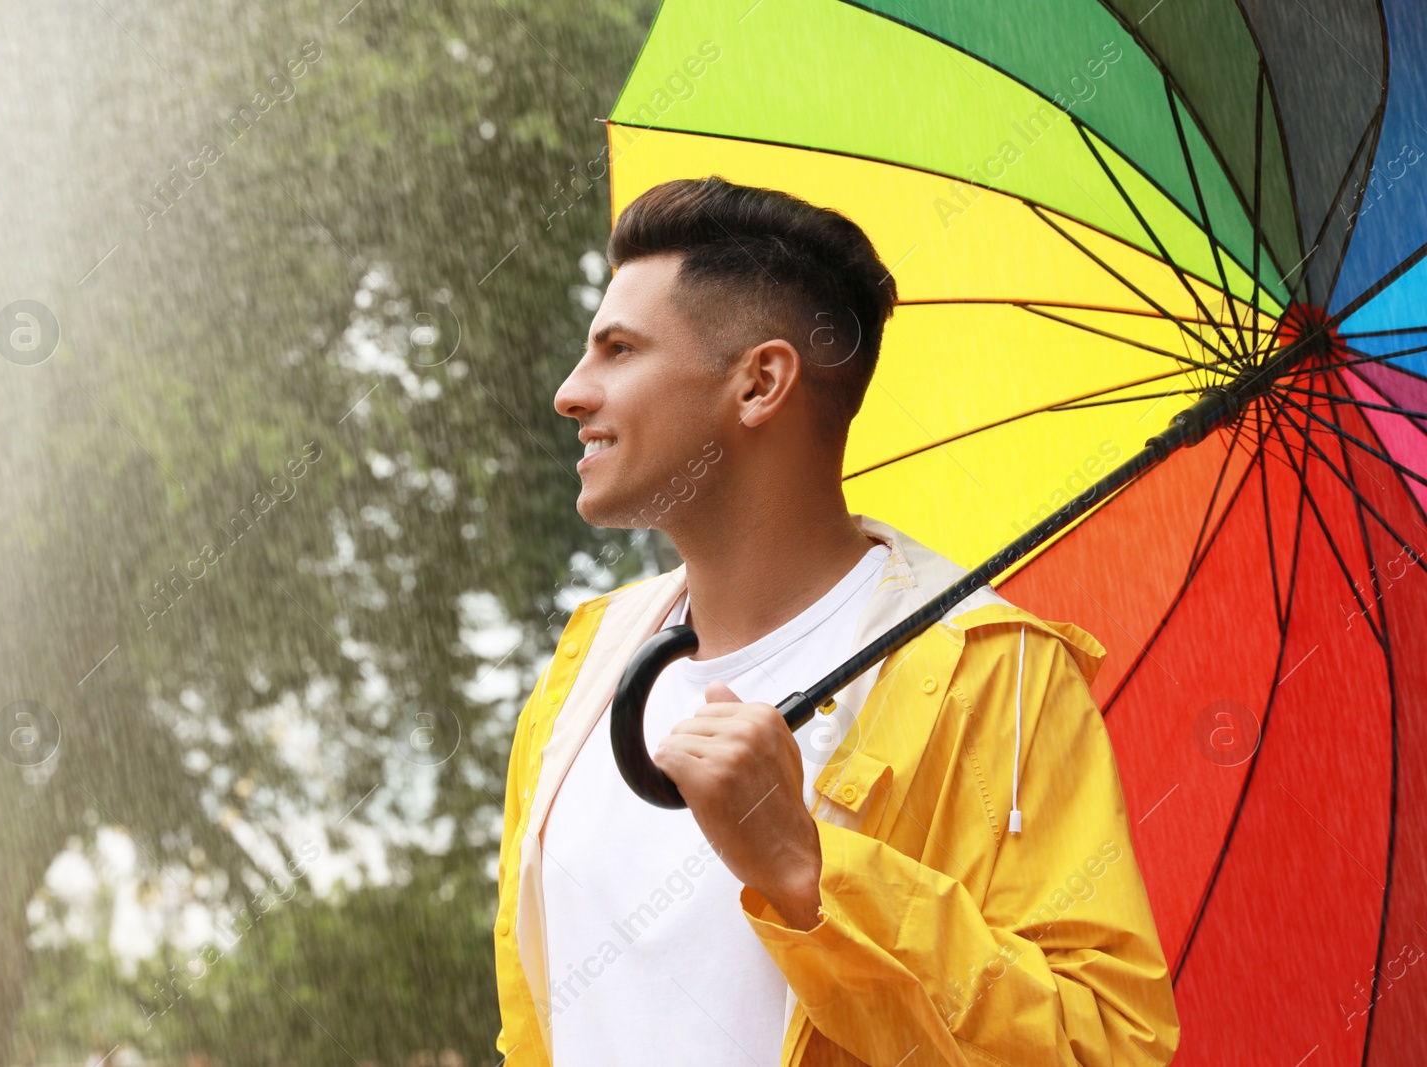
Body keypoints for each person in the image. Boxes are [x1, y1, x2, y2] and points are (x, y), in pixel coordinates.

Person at [493, 176, 1179, 1066]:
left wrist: (810, 872)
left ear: (761, 382)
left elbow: (1106, 1047)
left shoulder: (992, 676)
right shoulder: (584, 666)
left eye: (619, 350)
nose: (570, 392)